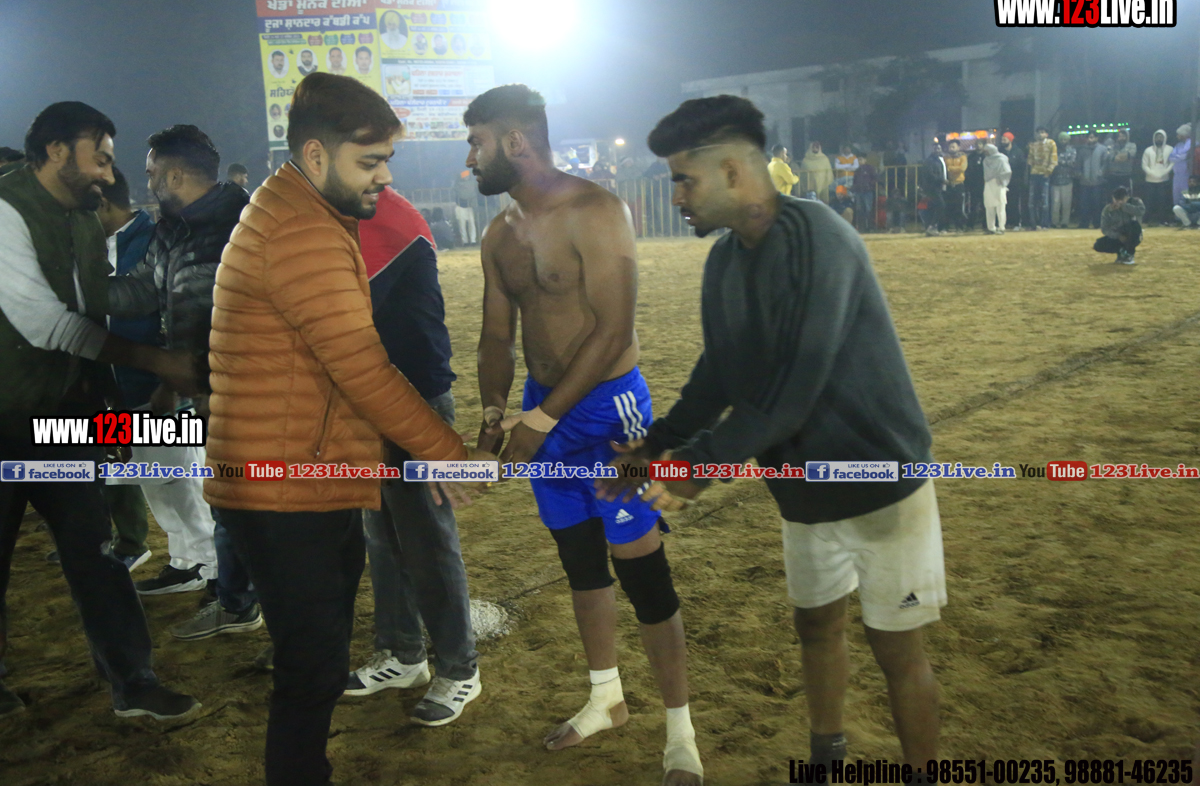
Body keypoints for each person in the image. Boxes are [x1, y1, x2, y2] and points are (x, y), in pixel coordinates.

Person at [610, 94, 943, 772]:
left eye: (684, 179)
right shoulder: (725, 261)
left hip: (881, 486)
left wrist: (699, 466)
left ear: (733, 172)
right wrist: (658, 444)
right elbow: (720, 372)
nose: (675, 196)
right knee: (815, 625)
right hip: (800, 489)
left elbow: (794, 390)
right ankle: (827, 759)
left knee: (897, 651)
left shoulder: (821, 239)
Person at [204, 72, 484, 786]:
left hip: (299, 472)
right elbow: (362, 368)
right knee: (310, 670)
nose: (384, 178)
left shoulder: (298, 209)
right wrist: (447, 451)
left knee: (317, 662)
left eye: (387, 160)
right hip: (285, 485)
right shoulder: (301, 230)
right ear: (316, 155)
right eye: (370, 162)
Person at [467, 83, 703, 786]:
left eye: (476, 142)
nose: (469, 159)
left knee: (642, 571)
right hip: (543, 411)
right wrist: (491, 421)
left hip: (610, 414)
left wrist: (540, 423)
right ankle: (606, 699)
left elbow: (614, 328)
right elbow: (495, 336)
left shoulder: (597, 211)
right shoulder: (499, 233)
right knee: (579, 562)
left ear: (515, 141)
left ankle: (681, 733)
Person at [0, 101, 201, 720]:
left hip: (60, 418)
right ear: (57, 150)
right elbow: (45, 323)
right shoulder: (4, 211)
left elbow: (95, 305)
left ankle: (133, 682)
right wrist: (159, 361)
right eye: (101, 158)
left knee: (96, 549)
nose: (107, 174)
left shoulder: (85, 219)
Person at [108, 126, 262, 641]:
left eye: (152, 172)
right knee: (228, 500)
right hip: (207, 394)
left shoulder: (245, 223)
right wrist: (73, 290)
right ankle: (236, 598)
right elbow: (142, 293)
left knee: (253, 504)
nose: (148, 182)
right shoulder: (172, 230)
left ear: (175, 175)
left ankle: (246, 601)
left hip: (255, 393)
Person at [344, 185, 482, 726]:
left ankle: (459, 668)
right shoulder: (355, 213)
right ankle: (403, 654)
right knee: (382, 533)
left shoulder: (383, 216)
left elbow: (344, 317)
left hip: (417, 402)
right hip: (373, 402)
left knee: (428, 539)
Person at [95, 167, 158, 572]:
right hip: (112, 385)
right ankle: (130, 543)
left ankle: (204, 569)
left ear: (101, 202)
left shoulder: (153, 240)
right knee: (125, 469)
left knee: (175, 482)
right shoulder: (95, 244)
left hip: (153, 387)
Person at [1094, 186, 1144, 265]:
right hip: (1117, 235)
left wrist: (1124, 206)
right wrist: (1118, 236)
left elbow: (1141, 211)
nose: (1118, 202)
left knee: (1134, 226)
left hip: (1132, 234)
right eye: (1116, 200)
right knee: (1098, 245)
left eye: (1121, 200)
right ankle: (1121, 252)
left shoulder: (1135, 202)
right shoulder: (1108, 209)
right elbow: (1104, 229)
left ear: (1127, 197)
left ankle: (1129, 254)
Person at [1141, 129, 1175, 225]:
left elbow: (1172, 163)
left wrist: (1164, 172)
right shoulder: (1148, 150)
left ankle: (1163, 219)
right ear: (1154, 138)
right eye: (1157, 137)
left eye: (1161, 137)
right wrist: (1152, 174)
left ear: (1165, 138)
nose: (1159, 139)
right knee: (1149, 201)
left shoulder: (1170, 149)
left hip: (1164, 180)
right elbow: (1144, 165)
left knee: (1163, 201)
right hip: (1150, 180)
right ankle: (1147, 220)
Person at [1026, 126, 1057, 230]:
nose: (1040, 134)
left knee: (1045, 201)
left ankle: (1045, 224)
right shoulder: (1033, 145)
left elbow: (1054, 159)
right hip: (1034, 174)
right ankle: (1034, 224)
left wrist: (1048, 171)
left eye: (1042, 132)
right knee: (1032, 201)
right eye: (1039, 132)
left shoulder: (1051, 143)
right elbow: (1030, 159)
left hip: (1045, 175)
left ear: (1047, 134)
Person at [1079, 132, 1108, 229]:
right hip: (1084, 182)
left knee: (1097, 204)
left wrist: (1101, 173)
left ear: (1097, 138)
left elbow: (1105, 164)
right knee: (1084, 204)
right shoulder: (1082, 149)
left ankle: (1097, 223)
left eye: (1092, 137)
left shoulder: (1103, 149)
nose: (1090, 139)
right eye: (1089, 137)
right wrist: (1080, 174)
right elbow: (1078, 164)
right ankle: (1084, 223)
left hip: (1097, 182)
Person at [998, 132, 1026, 229]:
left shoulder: (1018, 152)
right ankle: (1006, 222)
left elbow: (1022, 167)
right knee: (1004, 203)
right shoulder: (1000, 152)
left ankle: (1016, 222)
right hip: (1003, 182)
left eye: (1004, 139)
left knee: (1014, 202)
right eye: (1002, 139)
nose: (1002, 141)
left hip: (1015, 181)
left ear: (1010, 140)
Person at [982, 142, 1011, 234]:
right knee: (989, 206)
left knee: (1000, 207)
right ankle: (991, 228)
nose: (985, 153)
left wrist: (1002, 180)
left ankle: (1001, 227)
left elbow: (1007, 171)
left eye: (986, 151)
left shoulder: (1001, 159)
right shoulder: (986, 160)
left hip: (999, 184)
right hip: (988, 184)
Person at [1050, 132, 1076, 228]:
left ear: (1068, 140)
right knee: (1055, 203)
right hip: (1055, 180)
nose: (1063, 141)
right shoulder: (1054, 149)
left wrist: (1059, 162)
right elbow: (1052, 161)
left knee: (1066, 203)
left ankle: (1065, 222)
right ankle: (1054, 222)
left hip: (1067, 180)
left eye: (1065, 139)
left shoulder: (1072, 150)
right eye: (1061, 139)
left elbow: (1072, 162)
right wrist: (1063, 162)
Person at [922, 143, 947, 236]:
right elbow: (930, 174)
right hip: (932, 187)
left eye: (939, 148)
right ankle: (932, 226)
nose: (937, 150)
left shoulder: (940, 159)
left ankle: (932, 227)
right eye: (935, 148)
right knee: (941, 205)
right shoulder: (929, 161)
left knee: (935, 207)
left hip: (939, 187)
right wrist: (942, 180)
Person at [942, 140, 967, 231]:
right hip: (948, 185)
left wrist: (950, 168)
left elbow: (962, 168)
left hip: (959, 184)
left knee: (959, 207)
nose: (951, 148)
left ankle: (959, 227)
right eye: (950, 147)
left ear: (958, 147)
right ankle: (946, 227)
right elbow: (943, 168)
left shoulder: (963, 157)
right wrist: (956, 169)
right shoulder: (945, 158)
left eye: (953, 147)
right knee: (947, 206)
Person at [1104, 130, 1137, 195]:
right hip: (1113, 175)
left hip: (1126, 175)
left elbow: (1128, 156)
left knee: (1126, 195)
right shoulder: (1112, 146)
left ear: (1127, 136)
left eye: (1123, 136)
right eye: (1120, 136)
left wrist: (1117, 156)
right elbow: (1110, 157)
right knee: (1113, 195)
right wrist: (1118, 157)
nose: (1121, 138)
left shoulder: (1132, 145)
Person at [964, 141, 986, 231]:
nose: (979, 146)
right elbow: (968, 170)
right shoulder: (971, 157)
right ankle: (970, 225)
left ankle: (986, 224)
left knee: (985, 206)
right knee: (973, 206)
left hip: (985, 184)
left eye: (980, 144)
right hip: (974, 185)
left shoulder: (986, 156)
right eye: (977, 144)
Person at [852, 153, 877, 231]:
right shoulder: (857, 170)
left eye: (861, 159)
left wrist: (869, 185)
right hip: (859, 192)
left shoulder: (870, 168)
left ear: (865, 160)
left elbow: (875, 178)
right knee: (860, 210)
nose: (859, 161)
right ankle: (862, 227)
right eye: (858, 160)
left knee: (868, 210)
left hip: (867, 192)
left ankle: (870, 227)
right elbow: (854, 181)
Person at [453, 169, 478, 244]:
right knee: (462, 225)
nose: (466, 177)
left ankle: (473, 240)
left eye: (467, 175)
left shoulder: (472, 184)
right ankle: (465, 241)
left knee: (471, 224)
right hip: (460, 207)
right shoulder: (457, 185)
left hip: (470, 207)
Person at [1170, 124, 1193, 207]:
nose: (1177, 136)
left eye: (1179, 134)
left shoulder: (1192, 143)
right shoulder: (1178, 145)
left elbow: (1185, 155)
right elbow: (1171, 157)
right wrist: (1180, 156)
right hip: (1177, 175)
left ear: (1184, 134)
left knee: (1185, 195)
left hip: (1186, 175)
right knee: (1176, 195)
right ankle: (1177, 213)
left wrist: (1179, 156)